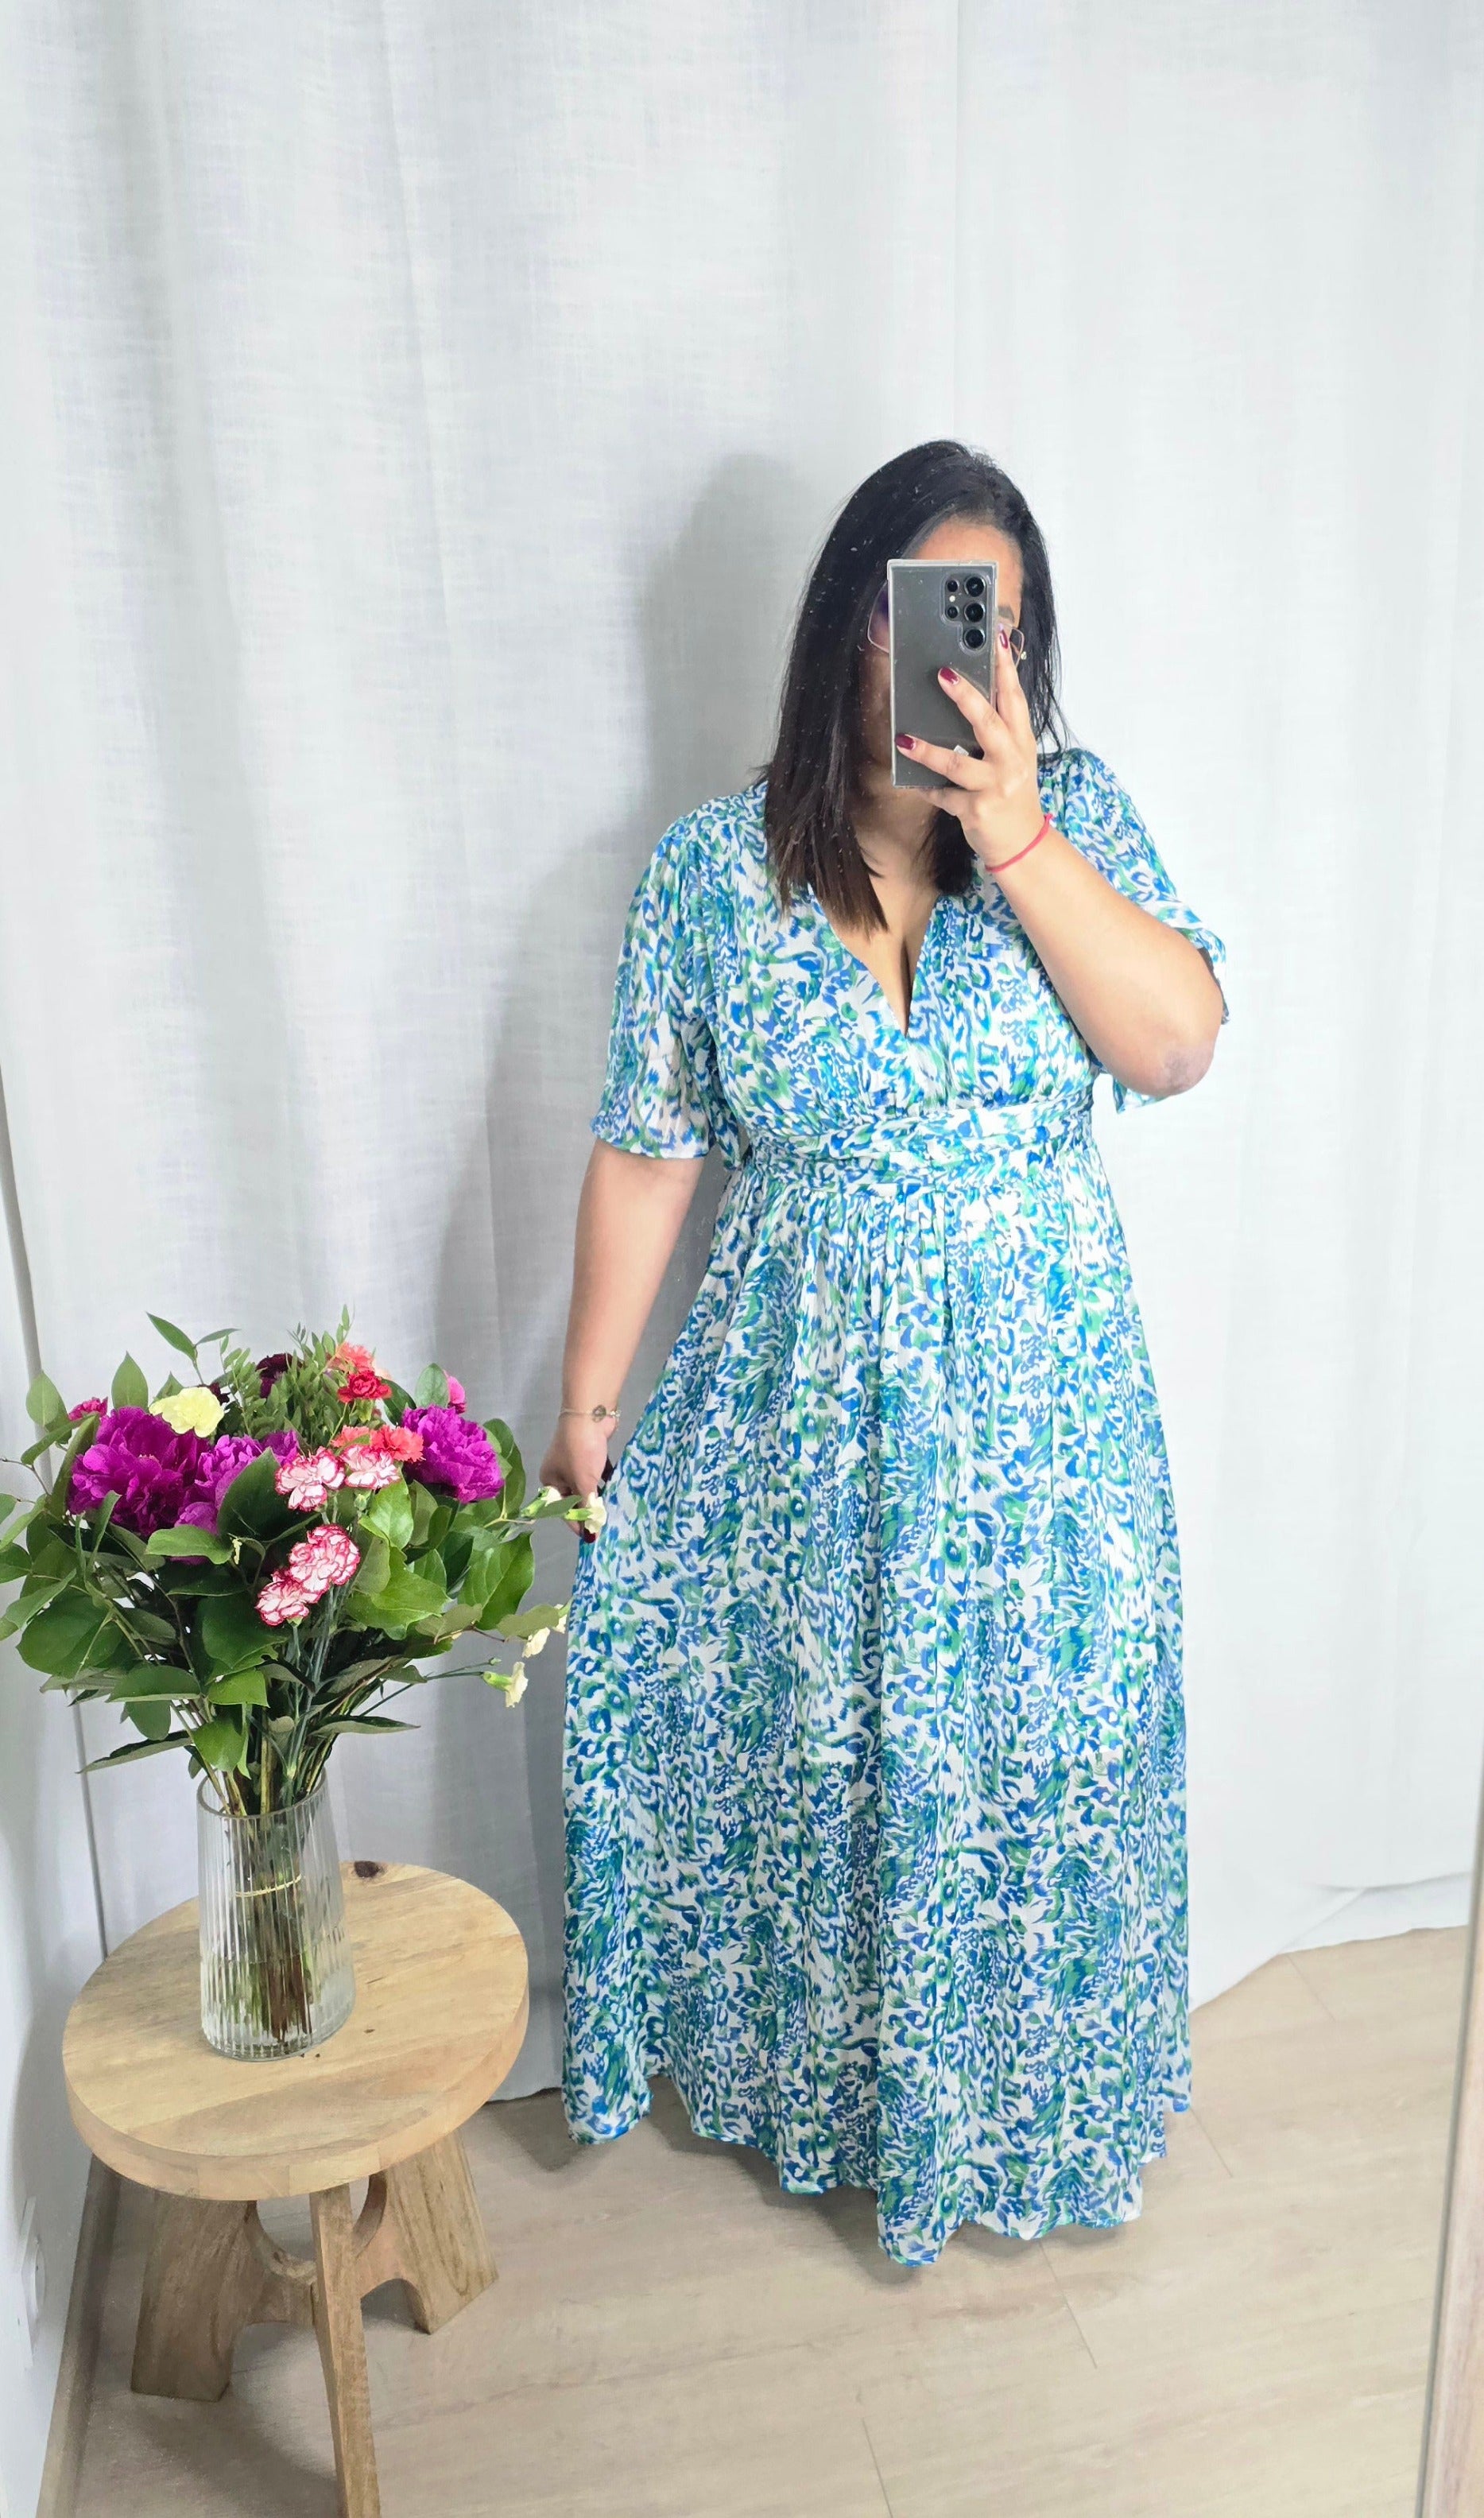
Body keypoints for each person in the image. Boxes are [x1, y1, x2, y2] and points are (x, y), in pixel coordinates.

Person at [541, 438, 1227, 2268]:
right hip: (799, 1417)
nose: (957, 654)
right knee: (828, 1757)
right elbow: (647, 1147)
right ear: (849, 618)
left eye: (991, 620)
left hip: (1041, 1422)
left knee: (1034, 1749)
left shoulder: (1078, 820)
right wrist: (588, 1402)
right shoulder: (710, 871)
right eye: (925, 609)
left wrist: (1016, 834)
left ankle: (1023, 2100)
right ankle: (847, 2103)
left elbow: (1174, 1045)